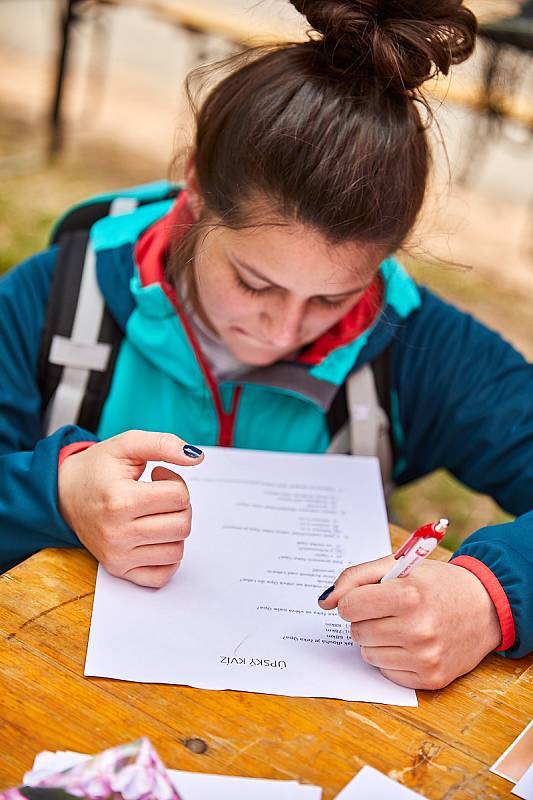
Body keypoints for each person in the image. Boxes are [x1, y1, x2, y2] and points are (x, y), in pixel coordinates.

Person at [0, 0, 531, 691]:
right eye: (253, 283)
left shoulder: (420, 346)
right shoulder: (54, 298)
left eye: (334, 300)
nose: (280, 333)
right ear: (193, 193)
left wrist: (490, 597)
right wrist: (55, 491)